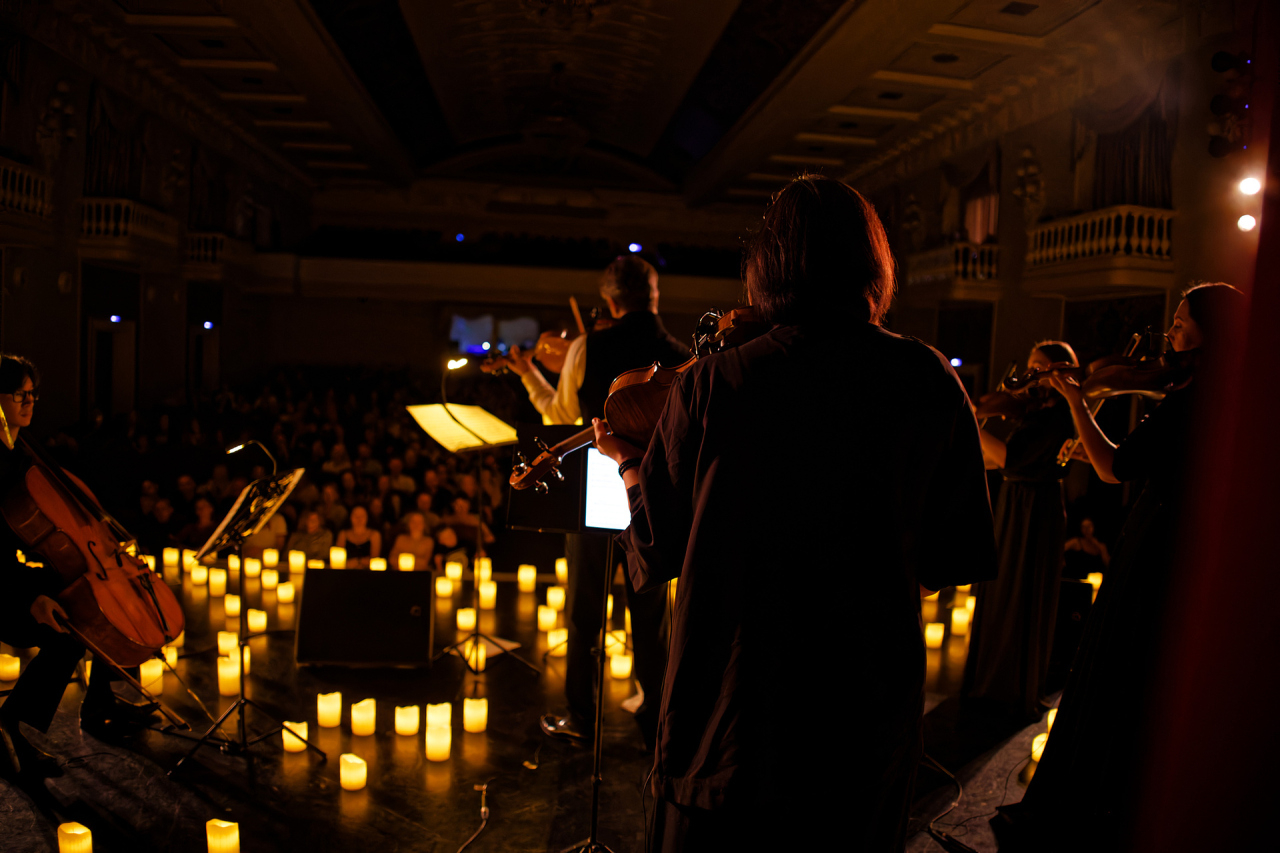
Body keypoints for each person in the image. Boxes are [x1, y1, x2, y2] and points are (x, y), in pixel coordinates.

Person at [593, 175, 997, 850]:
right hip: (865, 712)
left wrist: (628, 461)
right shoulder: (929, 378)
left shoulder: (715, 382)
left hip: (738, 708)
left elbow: (656, 545)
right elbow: (943, 563)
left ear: (768, 267)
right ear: (873, 262)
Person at [1000, 283, 1246, 850]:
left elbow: (1116, 468)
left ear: (1214, 329)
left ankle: (1086, 808)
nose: (1172, 333)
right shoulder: (1225, 388)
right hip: (1179, 540)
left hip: (1155, 541)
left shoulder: (1193, 394)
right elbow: (1147, 457)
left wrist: (1077, 405)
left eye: (1182, 322)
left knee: (1117, 662)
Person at [508, 254, 690, 748]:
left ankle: (580, 716)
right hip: (653, 499)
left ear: (610, 301)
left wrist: (532, 374)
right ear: (654, 298)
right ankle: (657, 717)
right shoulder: (679, 353)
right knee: (651, 619)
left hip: (594, 493)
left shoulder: (589, 346)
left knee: (585, 612)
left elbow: (563, 416)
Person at [0, 355, 158, 781]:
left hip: (10, 574)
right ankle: (9, 724)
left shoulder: (23, 452)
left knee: (96, 593)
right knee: (69, 626)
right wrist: (31, 597)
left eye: (33, 392)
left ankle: (100, 704)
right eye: (20, 393)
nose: (30, 401)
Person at [962, 341, 1078, 723]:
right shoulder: (1032, 411)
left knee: (1022, 591)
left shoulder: (1061, 413)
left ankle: (1012, 689)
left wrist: (970, 423)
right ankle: (991, 682)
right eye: (1029, 365)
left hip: (1037, 509)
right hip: (1015, 503)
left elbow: (1013, 459)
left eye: (1038, 367)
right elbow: (1001, 463)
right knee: (1000, 591)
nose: (1029, 375)